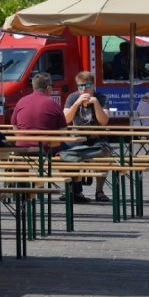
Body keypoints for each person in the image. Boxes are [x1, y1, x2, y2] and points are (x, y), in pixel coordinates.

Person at [12, 71, 89, 204]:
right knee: (72, 150)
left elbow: (15, 128)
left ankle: (22, 189)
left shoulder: (21, 102)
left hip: (22, 148)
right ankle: (75, 191)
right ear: (48, 88)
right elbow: (63, 133)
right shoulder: (52, 103)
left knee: (20, 153)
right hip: (46, 149)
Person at [64, 71, 111, 202]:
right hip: (78, 138)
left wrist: (96, 104)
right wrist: (76, 104)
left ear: (93, 85)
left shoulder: (101, 98)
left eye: (87, 85)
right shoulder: (72, 98)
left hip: (97, 138)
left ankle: (99, 191)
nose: (84, 89)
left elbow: (104, 121)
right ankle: (75, 190)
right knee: (64, 154)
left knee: (105, 154)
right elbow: (65, 119)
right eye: (80, 86)